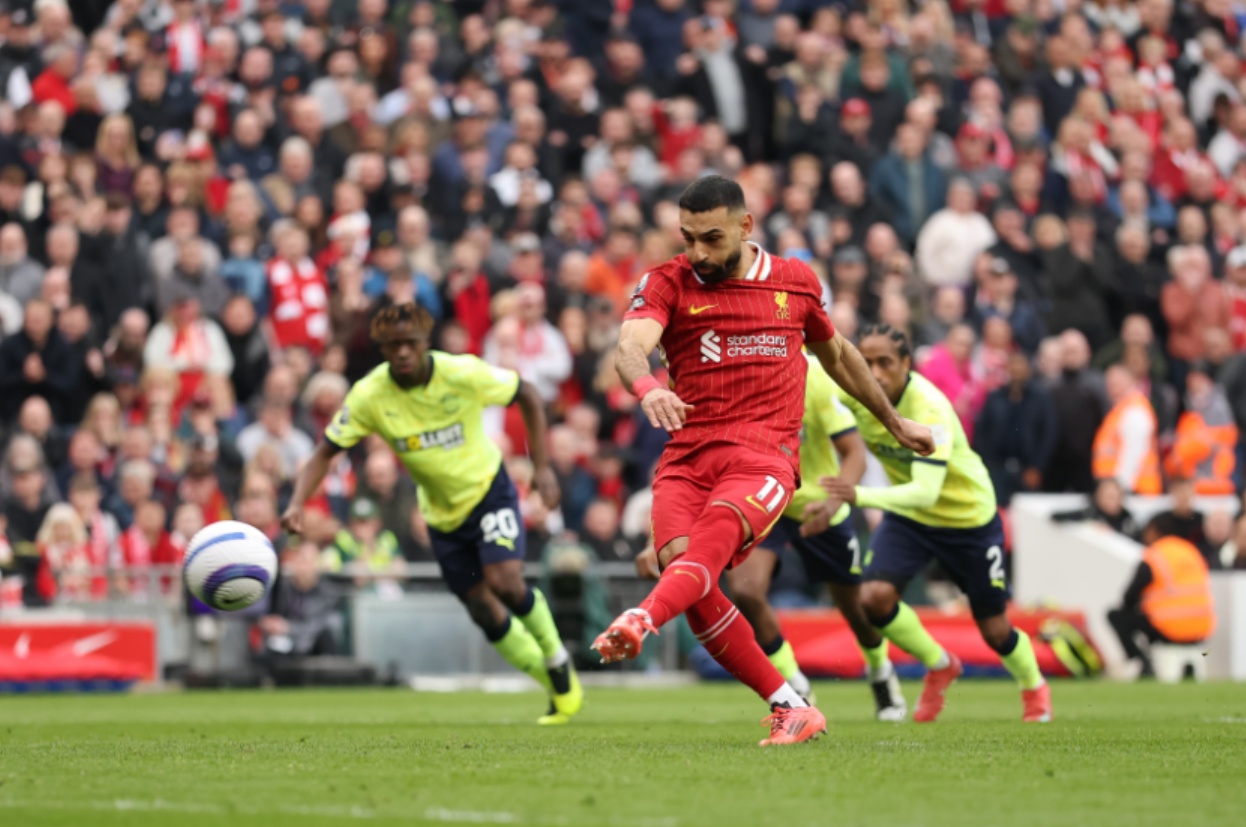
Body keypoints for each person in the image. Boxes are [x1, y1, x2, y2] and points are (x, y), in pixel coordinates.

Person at [591, 176, 933, 746]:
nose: (698, 251)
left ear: (746, 227)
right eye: (688, 237)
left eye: (712, 237)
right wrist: (649, 387)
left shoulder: (796, 282)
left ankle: (641, 619)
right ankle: (789, 705)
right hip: (685, 458)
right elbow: (630, 345)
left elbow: (839, 355)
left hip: (762, 458)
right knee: (693, 582)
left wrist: (894, 422)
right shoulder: (667, 281)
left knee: (703, 557)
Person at [281, 302, 583, 726]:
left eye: (411, 343)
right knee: (480, 608)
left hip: (488, 492)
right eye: (393, 345)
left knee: (505, 582)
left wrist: (542, 466)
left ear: (426, 343)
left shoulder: (461, 373)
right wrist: (296, 502)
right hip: (442, 516)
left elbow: (528, 394)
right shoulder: (370, 395)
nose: (402, 352)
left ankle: (556, 659)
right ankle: (552, 682)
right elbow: (325, 451)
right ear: (383, 349)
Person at [635, 354, 904, 718]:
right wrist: (663, 537)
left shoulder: (815, 378)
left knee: (855, 609)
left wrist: (831, 503)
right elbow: (705, 467)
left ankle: (880, 672)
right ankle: (794, 685)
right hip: (760, 500)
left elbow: (854, 451)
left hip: (816, 505)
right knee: (746, 591)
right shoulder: (729, 375)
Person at [820, 323, 1052, 723]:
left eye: (885, 363)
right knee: (872, 598)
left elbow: (925, 491)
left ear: (906, 364)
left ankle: (1034, 687)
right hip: (911, 519)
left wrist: (858, 495)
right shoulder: (856, 394)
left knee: (995, 631)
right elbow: (813, 373)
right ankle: (940, 663)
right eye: (867, 362)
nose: (874, 372)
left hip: (968, 520)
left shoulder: (930, 407)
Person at [1107, 519, 1215, 678]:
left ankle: (1142, 662)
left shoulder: (1155, 555)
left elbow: (1129, 596)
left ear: (1155, 531)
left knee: (1116, 615)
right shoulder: (1191, 551)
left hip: (1170, 629)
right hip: (1201, 630)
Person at [1092, 365, 1162, 495]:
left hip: (1133, 490)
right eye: (1110, 383)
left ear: (1131, 381)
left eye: (1118, 382)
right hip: (1118, 489)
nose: (1113, 387)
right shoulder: (1120, 409)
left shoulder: (1135, 410)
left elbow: (1134, 452)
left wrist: (1121, 488)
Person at [1051, 478, 1142, 541]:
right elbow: (1056, 516)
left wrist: (1113, 533)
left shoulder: (1128, 520)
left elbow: (1137, 543)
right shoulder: (1091, 513)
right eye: (1109, 497)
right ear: (1098, 496)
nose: (1114, 502)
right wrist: (1090, 525)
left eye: (1118, 497)